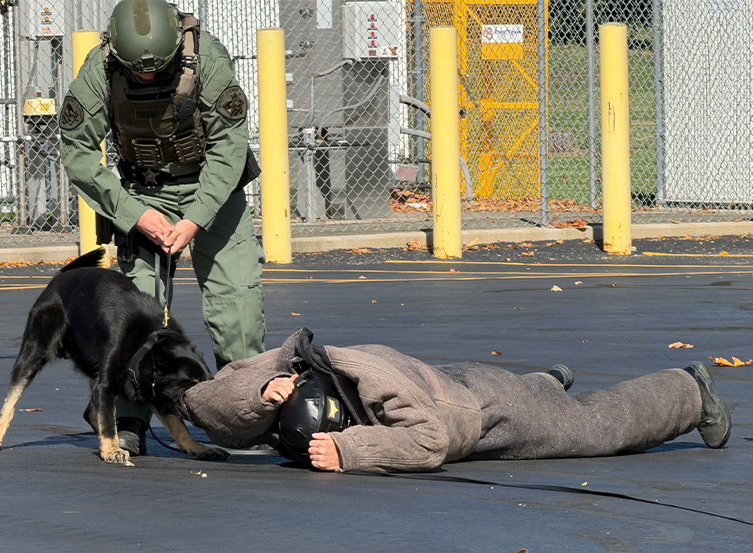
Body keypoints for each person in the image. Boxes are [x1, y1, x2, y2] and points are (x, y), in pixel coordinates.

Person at [59, 0, 265, 456]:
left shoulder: (207, 58)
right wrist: (132, 213)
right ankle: (127, 419)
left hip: (214, 190)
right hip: (142, 193)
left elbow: (230, 148)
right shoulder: (101, 70)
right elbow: (76, 149)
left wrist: (194, 218)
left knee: (239, 311)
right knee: (135, 316)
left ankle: (241, 413)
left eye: (159, 70)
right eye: (139, 72)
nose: (148, 77)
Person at [179, 329, 732, 474]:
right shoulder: (296, 368)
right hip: (448, 382)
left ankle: (687, 390)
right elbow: (205, 407)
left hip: (482, 411)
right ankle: (545, 382)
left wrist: (353, 452)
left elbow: (433, 441)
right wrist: (259, 396)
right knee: (539, 399)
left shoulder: (370, 381)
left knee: (595, 431)